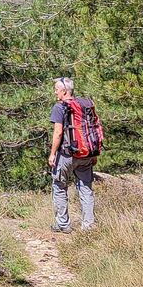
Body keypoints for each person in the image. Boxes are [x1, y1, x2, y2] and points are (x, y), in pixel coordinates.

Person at [48, 77, 95, 233]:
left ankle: (63, 224)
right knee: (86, 188)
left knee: (59, 186)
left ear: (64, 91)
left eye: (56, 89)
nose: (55, 92)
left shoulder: (60, 107)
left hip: (67, 154)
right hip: (86, 154)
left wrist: (53, 154)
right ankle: (88, 226)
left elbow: (58, 132)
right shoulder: (84, 105)